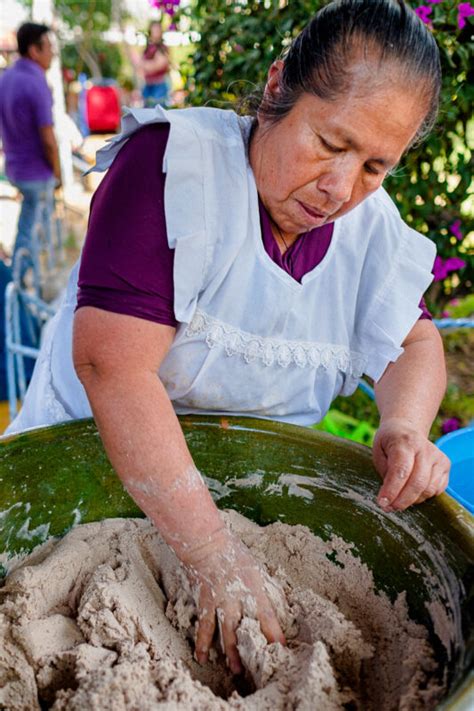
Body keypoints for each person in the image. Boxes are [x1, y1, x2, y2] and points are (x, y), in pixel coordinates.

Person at [5, 0, 451, 674]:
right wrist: (212, 554)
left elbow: (413, 344)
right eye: (329, 143)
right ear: (277, 87)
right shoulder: (176, 171)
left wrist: (405, 424)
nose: (339, 188)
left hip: (244, 510)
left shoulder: (372, 230)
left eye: (374, 166)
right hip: (83, 493)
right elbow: (112, 366)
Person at [0, 23, 61, 279]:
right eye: (48, 48)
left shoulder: (6, 78)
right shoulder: (36, 83)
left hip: (14, 167)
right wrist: (58, 173)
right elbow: (48, 139)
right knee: (32, 235)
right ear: (34, 51)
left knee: (30, 227)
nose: (53, 54)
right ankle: (22, 286)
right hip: (35, 173)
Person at [139, 20, 170, 108]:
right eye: (154, 29)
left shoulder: (162, 48)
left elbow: (159, 65)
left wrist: (144, 64)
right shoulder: (148, 48)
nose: (156, 32)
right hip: (148, 85)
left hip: (159, 86)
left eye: (158, 29)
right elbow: (140, 67)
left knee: (158, 113)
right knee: (147, 113)